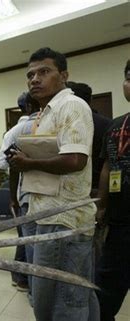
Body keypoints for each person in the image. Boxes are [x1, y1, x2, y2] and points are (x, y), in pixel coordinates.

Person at [8, 47, 98, 321]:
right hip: (44, 212)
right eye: (30, 74)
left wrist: (28, 163)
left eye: (44, 72)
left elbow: (74, 160)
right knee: (70, 294)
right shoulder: (45, 113)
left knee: (62, 303)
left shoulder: (71, 105)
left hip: (63, 220)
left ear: (64, 76)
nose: (34, 79)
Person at [0, 92, 41, 300]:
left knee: (29, 242)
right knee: (33, 245)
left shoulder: (14, 131)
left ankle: (27, 284)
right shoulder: (23, 130)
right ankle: (32, 288)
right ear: (30, 107)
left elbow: (2, 164)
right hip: (32, 194)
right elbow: (5, 163)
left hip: (26, 194)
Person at [95, 59, 130, 321]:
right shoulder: (115, 125)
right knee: (105, 292)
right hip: (119, 225)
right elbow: (108, 166)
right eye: (129, 77)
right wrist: (102, 206)